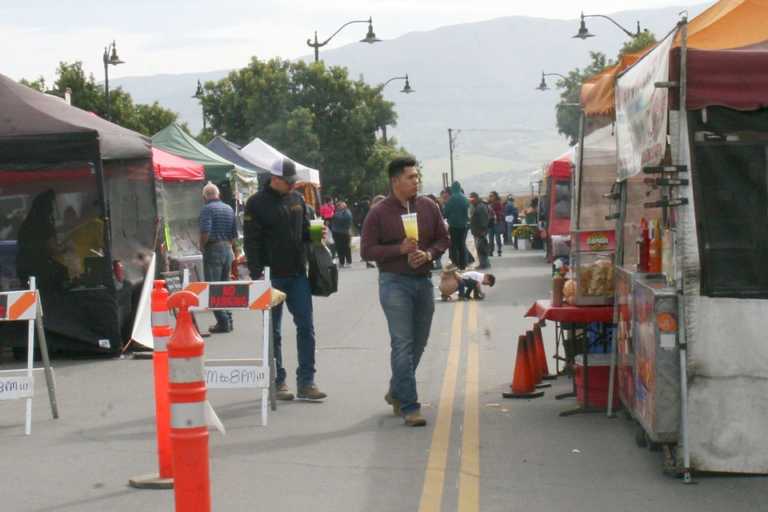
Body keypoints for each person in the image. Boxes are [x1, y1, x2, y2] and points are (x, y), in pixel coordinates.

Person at [361, 156, 450, 427]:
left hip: (422, 281)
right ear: (395, 180)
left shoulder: (428, 206)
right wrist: (397, 250)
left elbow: (443, 239)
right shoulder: (379, 213)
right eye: (411, 177)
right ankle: (410, 406)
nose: (416, 181)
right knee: (402, 343)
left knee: (419, 343)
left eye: (417, 176)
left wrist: (429, 254)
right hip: (394, 282)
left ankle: (397, 389)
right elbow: (366, 250)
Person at [243, 157, 326, 401]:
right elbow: (251, 240)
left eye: (293, 182)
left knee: (306, 327)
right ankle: (279, 381)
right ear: (274, 179)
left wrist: (315, 235)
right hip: (271, 276)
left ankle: (307, 382)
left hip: (298, 273)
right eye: (288, 182)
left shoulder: (297, 199)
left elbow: (304, 233)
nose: (292, 186)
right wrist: (257, 273)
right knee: (274, 331)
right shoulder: (255, 203)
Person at [199, 182, 238, 333]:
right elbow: (234, 234)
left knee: (213, 287)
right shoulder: (228, 208)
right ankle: (228, 318)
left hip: (213, 248)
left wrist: (202, 246)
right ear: (218, 195)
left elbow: (205, 231)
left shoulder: (206, 210)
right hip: (227, 249)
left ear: (204, 196)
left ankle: (223, 321)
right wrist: (229, 248)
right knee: (225, 287)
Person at [16, 189, 68, 290]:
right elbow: (53, 250)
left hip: (24, 270)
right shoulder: (44, 225)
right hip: (42, 274)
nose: (53, 209)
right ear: (47, 208)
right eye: (51, 206)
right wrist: (67, 247)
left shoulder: (26, 225)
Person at [444, 181, 470, 270]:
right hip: (464, 226)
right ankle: (463, 265)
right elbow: (468, 213)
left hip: (454, 226)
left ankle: (456, 263)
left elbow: (445, 212)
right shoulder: (465, 198)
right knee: (462, 245)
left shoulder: (451, 199)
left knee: (454, 245)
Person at [469, 192, 491, 269]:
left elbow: (483, 220)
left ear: (476, 198)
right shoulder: (478, 206)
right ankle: (485, 263)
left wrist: (482, 230)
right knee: (482, 247)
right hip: (478, 230)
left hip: (480, 231)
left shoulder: (480, 207)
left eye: (472, 198)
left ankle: (483, 264)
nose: (470, 200)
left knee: (481, 248)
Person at [331, 201, 353, 267]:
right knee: (339, 247)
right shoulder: (336, 212)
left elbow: (345, 219)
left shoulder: (346, 212)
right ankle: (342, 262)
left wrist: (334, 217)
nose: (338, 207)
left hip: (344, 232)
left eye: (340, 205)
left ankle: (348, 261)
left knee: (346, 247)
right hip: (337, 232)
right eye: (338, 206)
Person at [488, 191, 504, 257]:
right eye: (490, 196)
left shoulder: (498, 203)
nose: (490, 197)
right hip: (490, 222)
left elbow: (501, 212)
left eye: (492, 196)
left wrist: (493, 212)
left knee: (497, 237)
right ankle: (491, 251)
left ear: (495, 196)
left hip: (497, 222)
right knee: (490, 238)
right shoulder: (488, 204)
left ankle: (499, 250)